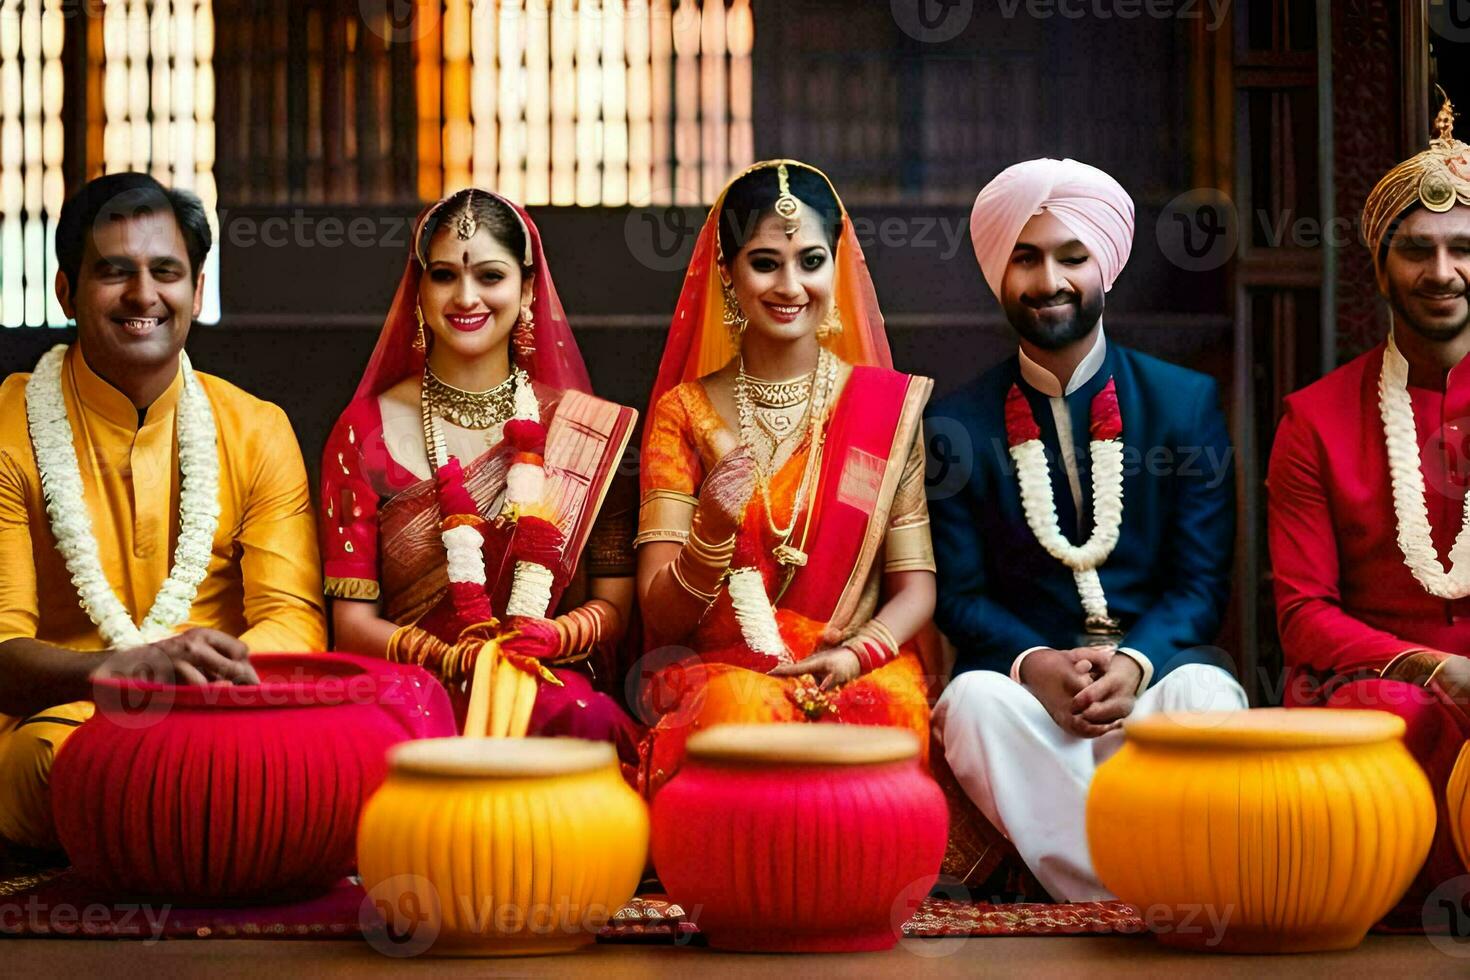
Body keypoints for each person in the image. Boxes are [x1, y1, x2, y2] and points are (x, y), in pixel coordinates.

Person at [929, 158, 1247, 901]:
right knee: (971, 703)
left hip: (1155, 681)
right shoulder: (956, 424)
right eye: (1026, 258)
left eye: (1073, 257)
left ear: (1104, 264)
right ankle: (1122, 896)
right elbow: (960, 597)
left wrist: (1137, 662)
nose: (1049, 282)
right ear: (997, 272)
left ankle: (1116, 885)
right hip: (1034, 706)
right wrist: (1034, 663)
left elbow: (1201, 585)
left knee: (1209, 692)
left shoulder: (1184, 404)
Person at [0, 172, 326, 849]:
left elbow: (293, 620)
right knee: (52, 767)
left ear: (197, 290)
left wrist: (193, 682)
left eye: (165, 272)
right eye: (114, 272)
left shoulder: (255, 427)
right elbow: (2, 649)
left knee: (371, 736)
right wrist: (113, 675)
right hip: (68, 723)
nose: (143, 295)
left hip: (225, 713)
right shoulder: (8, 427)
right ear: (67, 289)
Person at [635, 160, 939, 795]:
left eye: (811, 260)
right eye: (765, 262)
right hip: (726, 670)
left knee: (893, 711)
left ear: (837, 265)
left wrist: (856, 654)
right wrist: (712, 528)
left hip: (850, 662)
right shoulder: (684, 413)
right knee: (743, 715)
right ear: (727, 272)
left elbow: (916, 589)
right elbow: (660, 614)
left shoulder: (882, 408)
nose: (791, 284)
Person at [321, 188, 640, 755]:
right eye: (444, 275)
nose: (466, 296)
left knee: (583, 717)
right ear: (418, 288)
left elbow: (615, 604)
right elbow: (351, 625)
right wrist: (454, 658)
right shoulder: (363, 430)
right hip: (414, 686)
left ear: (527, 287)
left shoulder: (582, 429)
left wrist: (554, 635)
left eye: (490, 276)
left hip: (540, 676)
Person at [1267, 96, 1470, 915]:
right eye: (1417, 251)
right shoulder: (1314, 419)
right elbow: (1303, 614)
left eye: (1463, 249)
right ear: (1381, 267)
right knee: (1388, 715)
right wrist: (1435, 667)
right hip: (1385, 680)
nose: (1443, 272)